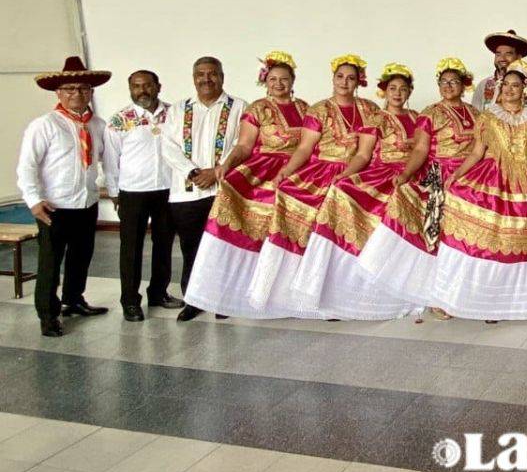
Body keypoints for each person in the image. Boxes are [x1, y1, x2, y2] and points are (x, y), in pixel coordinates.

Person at [247, 54, 379, 318]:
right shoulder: (318, 109)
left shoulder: (370, 109)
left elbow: (364, 153)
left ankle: (348, 293)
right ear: (333, 79)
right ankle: (294, 293)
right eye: (340, 77)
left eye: (351, 78)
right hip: (321, 170)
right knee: (299, 213)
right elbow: (305, 148)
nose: (345, 82)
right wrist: (285, 171)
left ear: (359, 81)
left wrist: (345, 176)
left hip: (357, 171)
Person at [291, 63, 425, 320]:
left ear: (410, 92)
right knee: (347, 197)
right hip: (385, 173)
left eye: (403, 89)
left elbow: (424, 151)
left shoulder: (419, 118)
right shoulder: (376, 119)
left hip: (414, 173)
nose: (397, 93)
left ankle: (408, 286)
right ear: (384, 91)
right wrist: (345, 175)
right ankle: (349, 286)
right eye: (392, 88)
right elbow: (364, 154)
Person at [181, 51, 308, 320]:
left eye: (284, 79)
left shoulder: (305, 109)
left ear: (292, 81)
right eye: (273, 79)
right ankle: (228, 295)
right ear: (265, 81)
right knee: (249, 233)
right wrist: (226, 165)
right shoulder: (257, 109)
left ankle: (284, 294)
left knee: (293, 233)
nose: (279, 84)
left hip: (297, 171)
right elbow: (244, 146)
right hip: (263, 172)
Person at [356, 57, 477, 314]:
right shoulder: (430, 113)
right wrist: (407, 174)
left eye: (454, 82)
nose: (448, 86)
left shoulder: (476, 114)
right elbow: (421, 149)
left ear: (464, 85)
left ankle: (466, 291)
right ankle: (436, 296)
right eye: (443, 82)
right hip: (438, 173)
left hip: (469, 174)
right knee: (438, 231)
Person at [425, 59, 527, 321]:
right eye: (506, 84)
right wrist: (456, 174)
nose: (510, 89)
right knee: (483, 240)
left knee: (513, 242)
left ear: (525, 89)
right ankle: (455, 298)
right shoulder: (487, 115)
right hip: (491, 177)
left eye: (516, 85)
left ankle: (503, 304)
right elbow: (478, 151)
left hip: (524, 183)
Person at [18, 56, 111, 337]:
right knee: (50, 262)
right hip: (54, 206)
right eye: (69, 89)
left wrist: (112, 191)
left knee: (81, 256)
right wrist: (34, 200)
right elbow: (27, 166)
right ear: (58, 93)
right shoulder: (44, 125)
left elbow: (107, 162)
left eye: (83, 88)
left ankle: (74, 300)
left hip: (86, 202)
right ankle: (48, 314)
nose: (76, 94)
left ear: (91, 92)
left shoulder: (98, 125)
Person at [161, 56, 247, 321]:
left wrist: (216, 171)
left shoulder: (239, 107)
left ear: (222, 76)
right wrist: (194, 172)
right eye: (201, 74)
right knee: (191, 248)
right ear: (193, 77)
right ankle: (193, 299)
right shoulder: (178, 109)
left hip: (223, 190)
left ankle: (223, 301)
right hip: (186, 192)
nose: (206, 79)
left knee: (223, 246)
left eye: (212, 73)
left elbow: (242, 144)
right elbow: (168, 146)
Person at [102, 69, 181, 321]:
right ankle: (130, 301)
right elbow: (110, 162)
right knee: (131, 249)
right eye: (136, 86)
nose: (142, 91)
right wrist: (114, 193)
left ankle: (158, 293)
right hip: (133, 192)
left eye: (147, 85)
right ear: (130, 89)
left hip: (168, 190)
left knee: (164, 244)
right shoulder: (119, 120)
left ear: (159, 86)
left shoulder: (175, 114)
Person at [471, 30, 527, 108]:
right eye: (498, 54)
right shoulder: (483, 85)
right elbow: (476, 116)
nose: (502, 58)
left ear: (518, 57)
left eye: (508, 54)